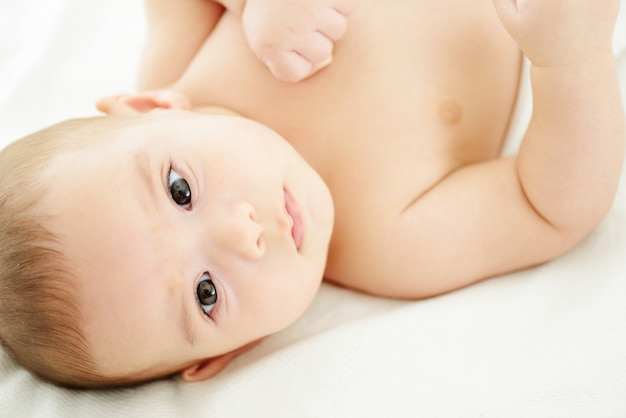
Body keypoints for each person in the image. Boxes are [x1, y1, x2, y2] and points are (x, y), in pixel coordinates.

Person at [0, 0, 623, 389]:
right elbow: (547, 207)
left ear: (148, 108)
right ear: (231, 352)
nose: (241, 231)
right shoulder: (389, 242)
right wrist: (571, 59)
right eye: (206, 293)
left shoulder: (181, 70)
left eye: (180, 190)